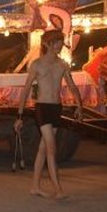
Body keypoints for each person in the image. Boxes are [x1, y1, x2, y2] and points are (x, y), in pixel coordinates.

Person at [14, 29, 83, 199]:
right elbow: (26, 90)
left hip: (56, 108)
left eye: (60, 41)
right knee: (52, 149)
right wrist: (20, 116)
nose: (60, 45)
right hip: (43, 109)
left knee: (43, 150)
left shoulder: (63, 64)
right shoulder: (37, 64)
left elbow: (72, 86)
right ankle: (58, 188)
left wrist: (79, 105)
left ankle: (35, 187)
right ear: (47, 43)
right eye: (56, 42)